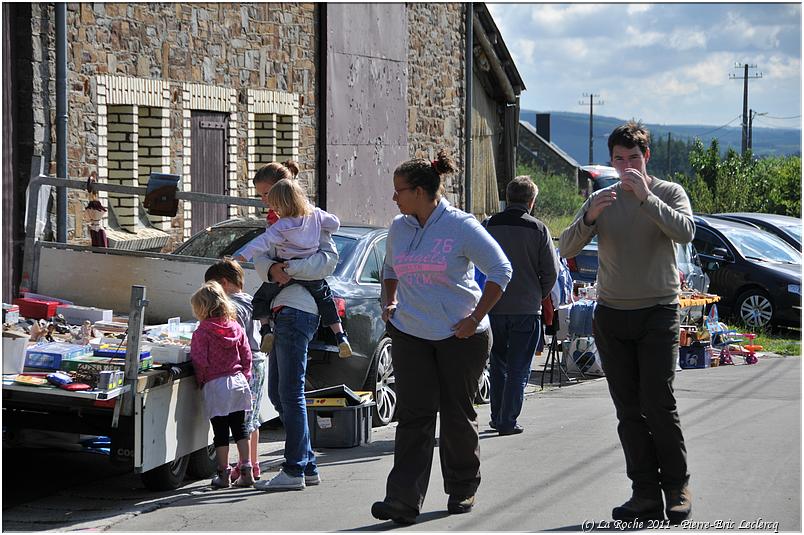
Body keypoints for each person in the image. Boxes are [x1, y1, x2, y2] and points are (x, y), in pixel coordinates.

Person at [559, 121, 695, 524]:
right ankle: (644, 494)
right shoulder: (604, 197)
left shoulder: (668, 192)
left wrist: (647, 197)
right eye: (619, 159)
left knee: (658, 402)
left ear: (645, 157)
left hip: (658, 309)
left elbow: (685, 232)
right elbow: (565, 246)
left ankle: (677, 488)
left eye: (633, 158)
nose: (626, 166)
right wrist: (588, 217)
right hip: (612, 313)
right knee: (628, 409)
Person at [370, 150, 512, 525]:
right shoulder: (399, 227)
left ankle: (463, 487)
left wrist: (475, 318)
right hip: (410, 332)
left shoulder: (461, 226)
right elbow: (389, 268)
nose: (394, 198)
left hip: (459, 336)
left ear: (419, 191)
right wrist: (390, 299)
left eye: (398, 191)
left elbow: (501, 270)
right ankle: (402, 500)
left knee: (456, 414)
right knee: (413, 416)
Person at [248, 161, 338, 492]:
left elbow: (327, 262)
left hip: (299, 310)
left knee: (290, 392)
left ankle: (294, 468)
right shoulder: (276, 223)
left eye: (266, 195)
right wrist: (271, 270)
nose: (263, 202)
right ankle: (308, 463)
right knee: (278, 393)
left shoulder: (313, 218)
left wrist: (289, 268)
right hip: (282, 309)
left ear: (283, 189)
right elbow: (260, 258)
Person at [235, 178, 352, 358]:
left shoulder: (282, 225)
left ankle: (266, 330)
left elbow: (261, 243)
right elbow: (335, 223)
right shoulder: (315, 215)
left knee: (259, 299)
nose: (274, 210)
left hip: (283, 271)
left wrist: (240, 256)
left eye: (275, 206)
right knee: (326, 300)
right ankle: (340, 336)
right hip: (310, 274)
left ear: (282, 205)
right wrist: (321, 221)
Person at [484, 176, 558, 436]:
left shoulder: (488, 225)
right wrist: (538, 294)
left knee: (498, 364)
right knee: (518, 369)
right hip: (526, 309)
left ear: (507, 197)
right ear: (531, 201)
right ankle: (508, 420)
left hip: (491, 308)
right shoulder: (538, 230)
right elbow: (551, 272)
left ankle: (496, 416)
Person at [204, 259, 266, 481]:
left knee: (241, 420)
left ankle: (242, 466)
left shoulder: (231, 307)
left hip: (242, 365)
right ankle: (253, 464)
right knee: (253, 417)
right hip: (258, 360)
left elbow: (231, 340)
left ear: (223, 283)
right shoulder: (251, 301)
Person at [189, 281, 254, 489]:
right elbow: (246, 354)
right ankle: (246, 469)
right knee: (240, 428)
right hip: (238, 382)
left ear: (202, 309)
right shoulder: (235, 327)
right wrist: (246, 375)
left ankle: (224, 472)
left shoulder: (202, 332)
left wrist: (201, 380)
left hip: (217, 384)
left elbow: (200, 360)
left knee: (220, 432)